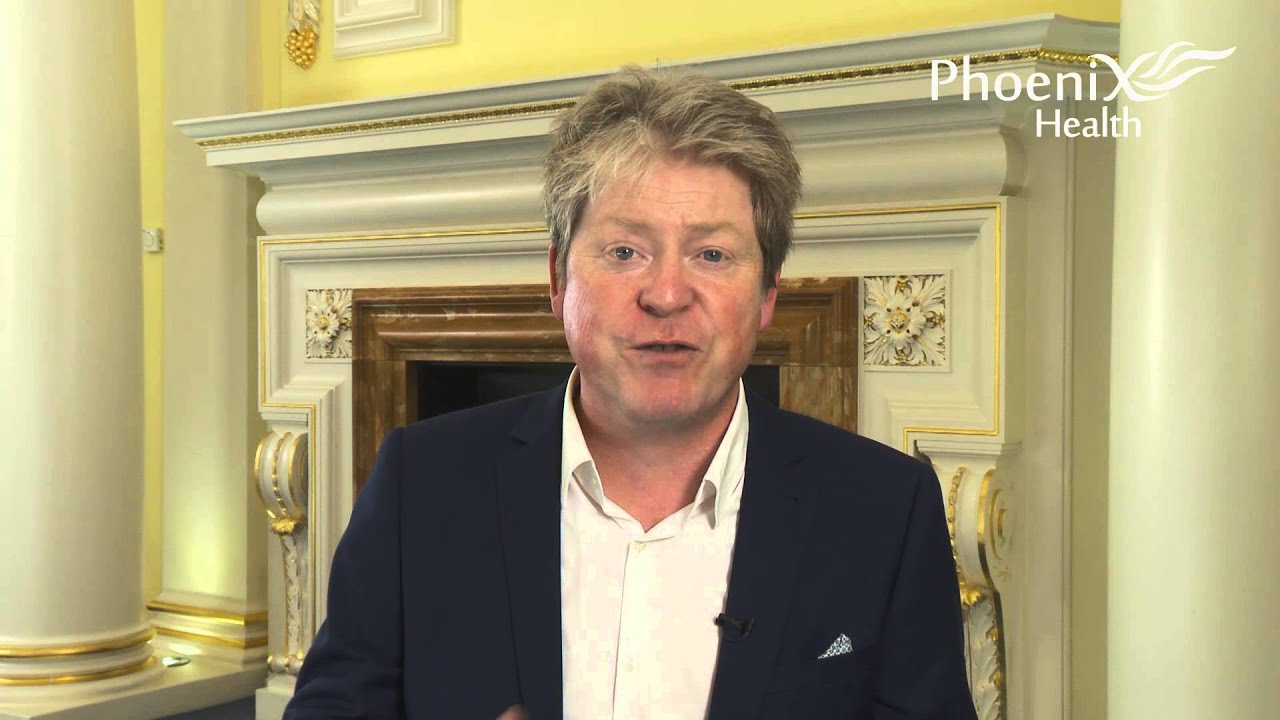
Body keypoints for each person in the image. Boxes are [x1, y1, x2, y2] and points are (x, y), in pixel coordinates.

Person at [284, 66, 976, 720]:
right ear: (558, 280)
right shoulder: (421, 482)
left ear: (768, 294)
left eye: (712, 255)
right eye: (625, 252)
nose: (666, 294)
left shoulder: (885, 509)